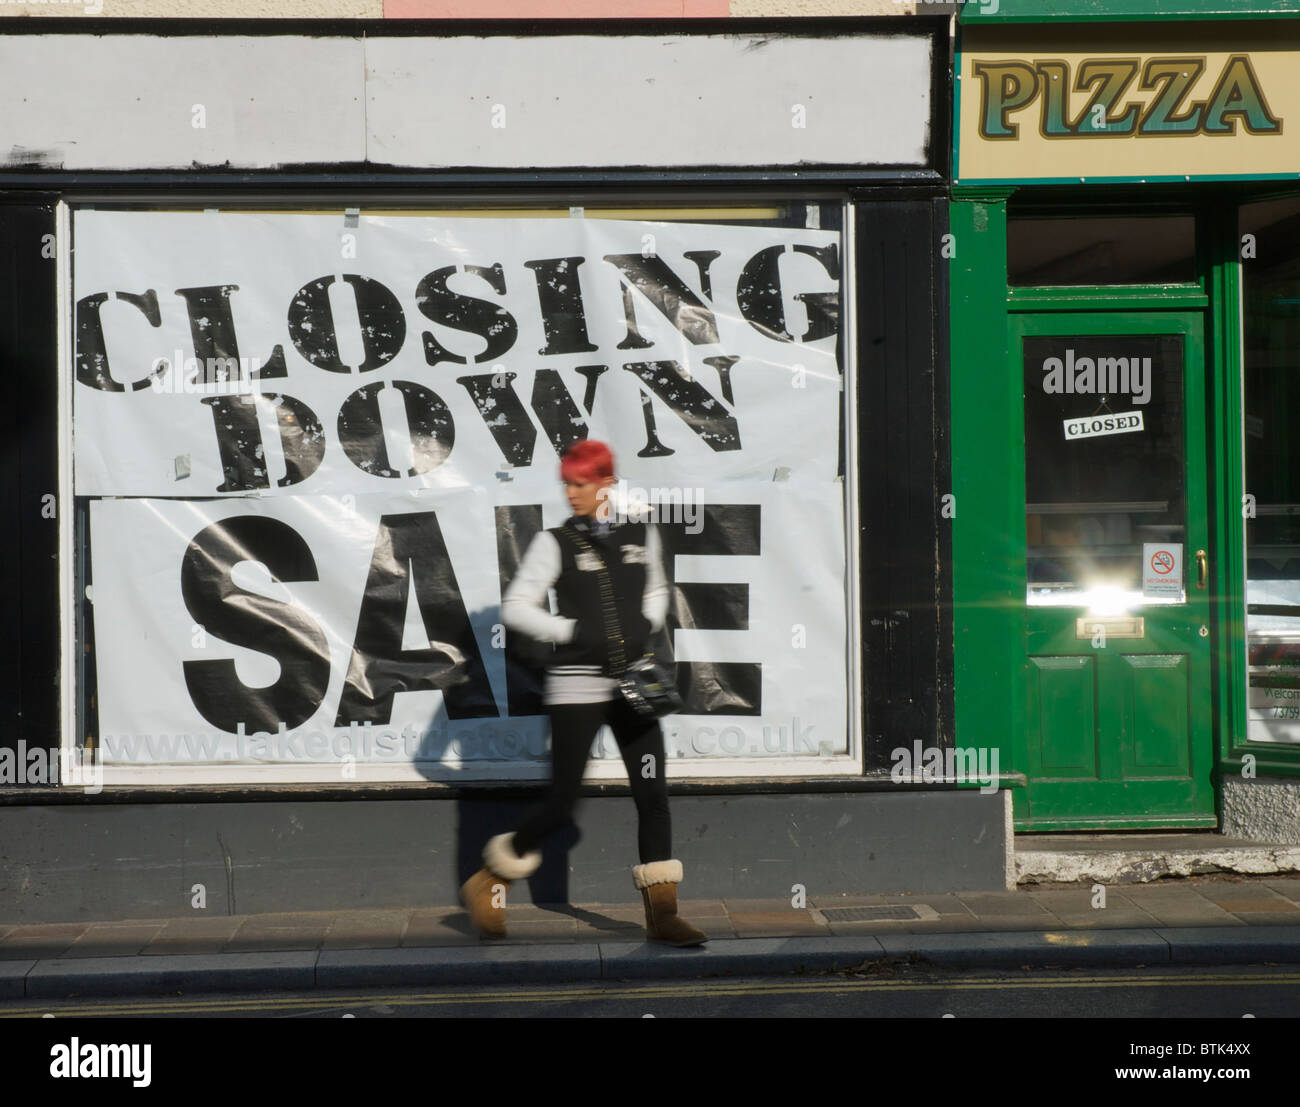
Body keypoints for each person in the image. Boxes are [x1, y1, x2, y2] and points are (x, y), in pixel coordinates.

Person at [459, 439, 707, 947]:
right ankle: (491, 879)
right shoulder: (556, 542)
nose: (572, 494)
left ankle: (662, 916)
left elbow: (658, 588)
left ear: (607, 484)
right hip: (576, 684)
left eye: (582, 484)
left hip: (634, 682)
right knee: (563, 801)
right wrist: (571, 631)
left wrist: (650, 618)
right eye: (567, 484)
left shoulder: (641, 533)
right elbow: (517, 607)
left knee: (652, 794)